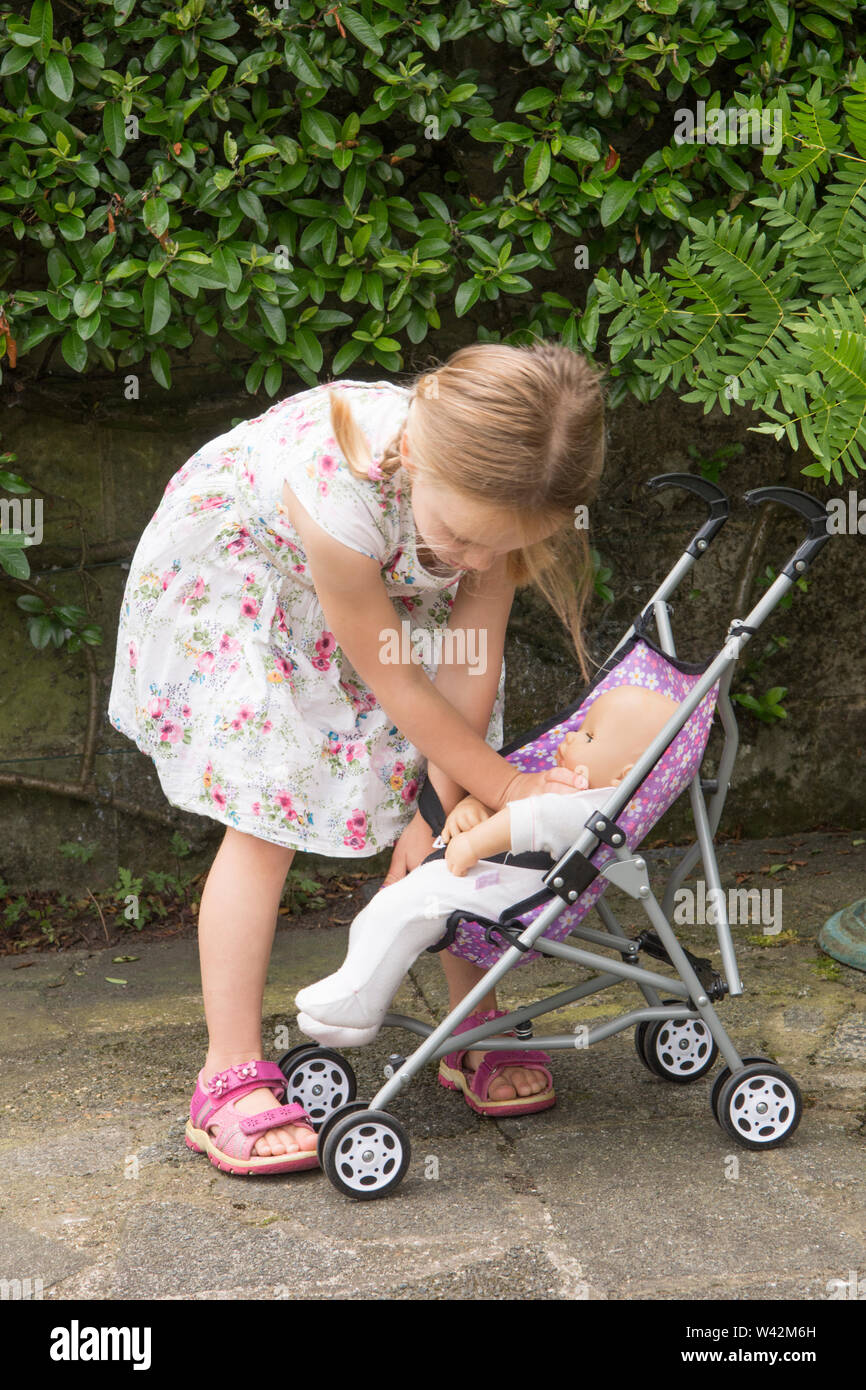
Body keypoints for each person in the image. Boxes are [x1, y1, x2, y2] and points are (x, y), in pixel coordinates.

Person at [107, 341, 604, 1173]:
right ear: (415, 457)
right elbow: (399, 684)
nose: (475, 562)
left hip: (390, 612)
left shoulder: (504, 504)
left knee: (463, 813)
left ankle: (468, 1021)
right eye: (460, 538)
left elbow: (468, 655)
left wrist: (443, 805)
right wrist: (513, 784)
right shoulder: (340, 484)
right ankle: (225, 1075)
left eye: (499, 550)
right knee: (266, 816)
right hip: (261, 590)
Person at [294, 685, 680, 1105]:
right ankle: (357, 994)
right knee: (389, 910)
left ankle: (359, 1001)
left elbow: (535, 816)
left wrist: (474, 842)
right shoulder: (570, 790)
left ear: (624, 775)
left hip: (504, 899)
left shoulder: (594, 805)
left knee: (402, 911)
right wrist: (471, 807)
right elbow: (517, 809)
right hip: (489, 883)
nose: (568, 738)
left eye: (587, 737)